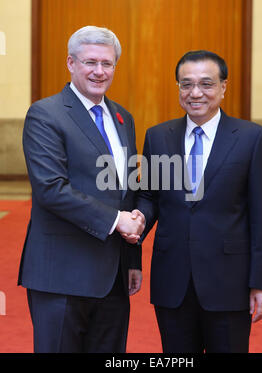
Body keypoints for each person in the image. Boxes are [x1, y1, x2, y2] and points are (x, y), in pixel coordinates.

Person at [134, 50, 262, 353]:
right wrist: (136, 226)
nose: (195, 93)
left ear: (224, 87)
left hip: (230, 283)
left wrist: (261, 283)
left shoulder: (252, 138)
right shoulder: (158, 137)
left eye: (206, 84)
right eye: (186, 84)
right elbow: (149, 197)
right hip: (172, 281)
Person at [18, 26, 145, 353]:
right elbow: (51, 189)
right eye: (90, 62)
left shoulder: (123, 118)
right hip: (62, 274)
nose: (99, 71)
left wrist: (132, 260)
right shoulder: (45, 114)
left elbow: (126, 191)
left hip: (113, 277)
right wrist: (118, 221)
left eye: (108, 63)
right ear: (70, 63)